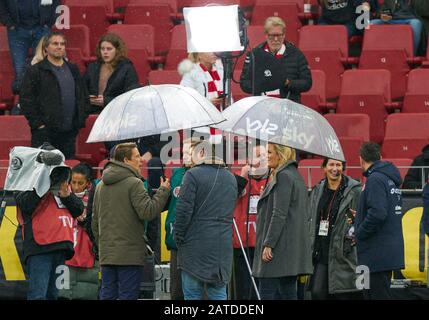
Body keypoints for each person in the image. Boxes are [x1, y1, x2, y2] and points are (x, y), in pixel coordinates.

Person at [92, 142, 171, 300]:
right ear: (126, 160)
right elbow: (148, 212)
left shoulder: (100, 185)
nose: (141, 160)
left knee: (107, 294)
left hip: (107, 252)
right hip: (130, 254)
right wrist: (163, 191)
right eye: (137, 156)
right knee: (128, 295)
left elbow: (94, 222)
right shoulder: (134, 183)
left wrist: (103, 245)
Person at [14, 147, 84, 300]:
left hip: (61, 246)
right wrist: (42, 184)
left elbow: (78, 210)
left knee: (53, 294)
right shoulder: (24, 181)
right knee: (38, 295)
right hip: (40, 247)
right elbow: (25, 204)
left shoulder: (62, 180)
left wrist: (67, 196)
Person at [174, 139, 238, 300]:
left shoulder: (192, 175)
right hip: (222, 248)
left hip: (194, 248)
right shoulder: (231, 178)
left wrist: (178, 236)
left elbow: (183, 212)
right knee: (218, 294)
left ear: (202, 153)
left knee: (192, 295)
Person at [252, 143, 312, 300]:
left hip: (277, 249)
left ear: (281, 154)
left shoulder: (283, 176)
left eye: (270, 152)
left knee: (267, 293)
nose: (267, 156)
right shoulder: (295, 175)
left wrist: (268, 243)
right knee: (289, 293)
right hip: (290, 250)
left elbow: (279, 214)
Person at [20, 32, 90, 159]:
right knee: (43, 173)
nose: (59, 47)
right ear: (46, 47)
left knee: (65, 172)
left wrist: (79, 120)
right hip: (44, 134)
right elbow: (26, 100)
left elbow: (82, 96)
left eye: (62, 44)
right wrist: (38, 125)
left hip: (69, 133)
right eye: (55, 44)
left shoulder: (73, 68)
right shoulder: (35, 71)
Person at [354, 142, 405, 300]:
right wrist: (360, 215)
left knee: (374, 294)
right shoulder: (388, 179)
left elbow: (378, 213)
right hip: (383, 252)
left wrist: (360, 232)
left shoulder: (375, 179)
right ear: (380, 157)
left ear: (361, 159)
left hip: (375, 253)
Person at [309, 158, 362, 300]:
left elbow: (363, 218)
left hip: (344, 252)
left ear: (343, 168)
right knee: (317, 292)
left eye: (338, 165)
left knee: (343, 294)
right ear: (324, 168)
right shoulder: (317, 189)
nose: (335, 168)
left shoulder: (355, 190)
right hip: (322, 249)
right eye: (331, 164)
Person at [240, 17, 312, 103]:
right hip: (262, 106)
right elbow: (244, 83)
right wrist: (261, 84)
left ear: (284, 35)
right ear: (266, 35)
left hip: (288, 106)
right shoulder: (254, 54)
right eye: (272, 35)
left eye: (279, 35)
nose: (276, 39)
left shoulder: (296, 54)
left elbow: (307, 83)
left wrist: (288, 83)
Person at [232, 143, 269, 300]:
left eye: (264, 156)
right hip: (242, 244)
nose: (261, 160)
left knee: (263, 291)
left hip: (264, 245)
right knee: (243, 290)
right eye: (257, 156)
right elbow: (228, 199)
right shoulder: (239, 179)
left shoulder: (273, 181)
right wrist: (242, 176)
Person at [58, 163, 99, 300]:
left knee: (86, 290)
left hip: (86, 248)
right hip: (66, 245)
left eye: (80, 183)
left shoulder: (94, 198)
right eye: (73, 182)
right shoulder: (61, 195)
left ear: (88, 183)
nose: (76, 186)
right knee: (62, 292)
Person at [0, 0, 60, 94]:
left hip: (41, 29)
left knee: (44, 70)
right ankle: (23, 105)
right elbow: (1, 6)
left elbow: (56, 3)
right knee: (20, 72)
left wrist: (48, 23)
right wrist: (9, 24)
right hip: (17, 31)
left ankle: (43, 105)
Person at [164, 138, 197, 300]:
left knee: (196, 288)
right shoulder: (176, 174)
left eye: (189, 153)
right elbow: (166, 202)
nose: (185, 157)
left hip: (196, 241)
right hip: (175, 238)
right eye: (183, 153)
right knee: (177, 289)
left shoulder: (204, 175)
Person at [84, 33, 140, 114]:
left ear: (117, 50)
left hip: (116, 113)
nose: (105, 52)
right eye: (102, 49)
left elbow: (131, 97)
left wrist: (106, 101)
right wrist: (88, 98)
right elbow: (82, 90)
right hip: (92, 111)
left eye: (109, 49)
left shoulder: (127, 68)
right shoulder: (92, 67)